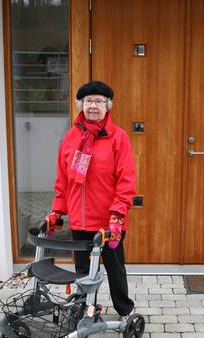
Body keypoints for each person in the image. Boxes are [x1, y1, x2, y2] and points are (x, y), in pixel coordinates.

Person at [46, 81, 136, 319]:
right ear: (81, 105)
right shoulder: (70, 138)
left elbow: (126, 180)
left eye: (98, 101)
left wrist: (118, 213)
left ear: (108, 106)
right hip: (79, 220)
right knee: (83, 269)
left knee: (115, 268)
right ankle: (87, 307)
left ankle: (124, 310)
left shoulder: (118, 138)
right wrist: (57, 211)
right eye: (88, 101)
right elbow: (63, 179)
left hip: (109, 222)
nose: (93, 106)